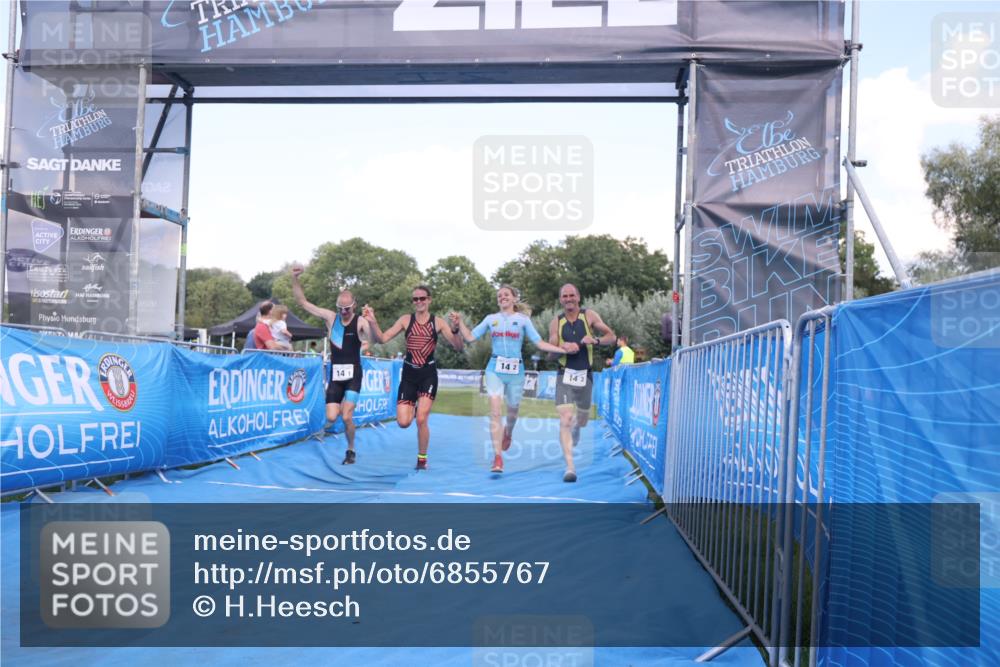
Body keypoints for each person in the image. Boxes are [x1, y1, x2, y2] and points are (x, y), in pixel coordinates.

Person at [450, 285, 564, 474]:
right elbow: (470, 338)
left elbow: (539, 343)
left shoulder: (523, 320)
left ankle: (508, 433)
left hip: (516, 371)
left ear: (514, 299)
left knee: (512, 412)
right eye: (499, 295)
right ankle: (497, 458)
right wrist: (460, 322)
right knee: (495, 412)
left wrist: (563, 350)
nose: (502, 297)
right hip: (494, 368)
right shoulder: (491, 319)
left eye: (506, 295)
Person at [364, 286, 463, 470]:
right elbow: (382, 339)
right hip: (409, 374)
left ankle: (422, 459)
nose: (419, 302)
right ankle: (417, 406)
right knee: (403, 422)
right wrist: (372, 321)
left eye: (422, 298)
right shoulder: (405, 320)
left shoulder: (438, 323)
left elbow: (458, 347)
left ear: (429, 300)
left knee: (421, 419)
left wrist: (456, 330)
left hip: (428, 374)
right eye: (415, 299)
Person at [290, 265, 375, 465]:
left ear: (354, 306)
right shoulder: (331, 318)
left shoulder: (360, 321)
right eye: (340, 309)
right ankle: (345, 437)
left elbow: (373, 339)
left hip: (354, 375)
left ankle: (351, 449)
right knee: (331, 416)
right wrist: (295, 279)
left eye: (347, 309)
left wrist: (371, 323)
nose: (344, 312)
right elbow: (302, 302)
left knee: (346, 417)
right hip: (336, 376)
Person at [548, 284, 616, 482]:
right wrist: (562, 347)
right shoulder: (556, 322)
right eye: (564, 296)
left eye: (572, 295)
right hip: (564, 375)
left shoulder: (589, 316)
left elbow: (611, 337)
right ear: (561, 300)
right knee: (566, 418)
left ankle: (578, 427)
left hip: (585, 375)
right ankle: (570, 467)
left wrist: (594, 340)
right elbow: (550, 352)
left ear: (578, 297)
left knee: (582, 419)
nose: (568, 299)